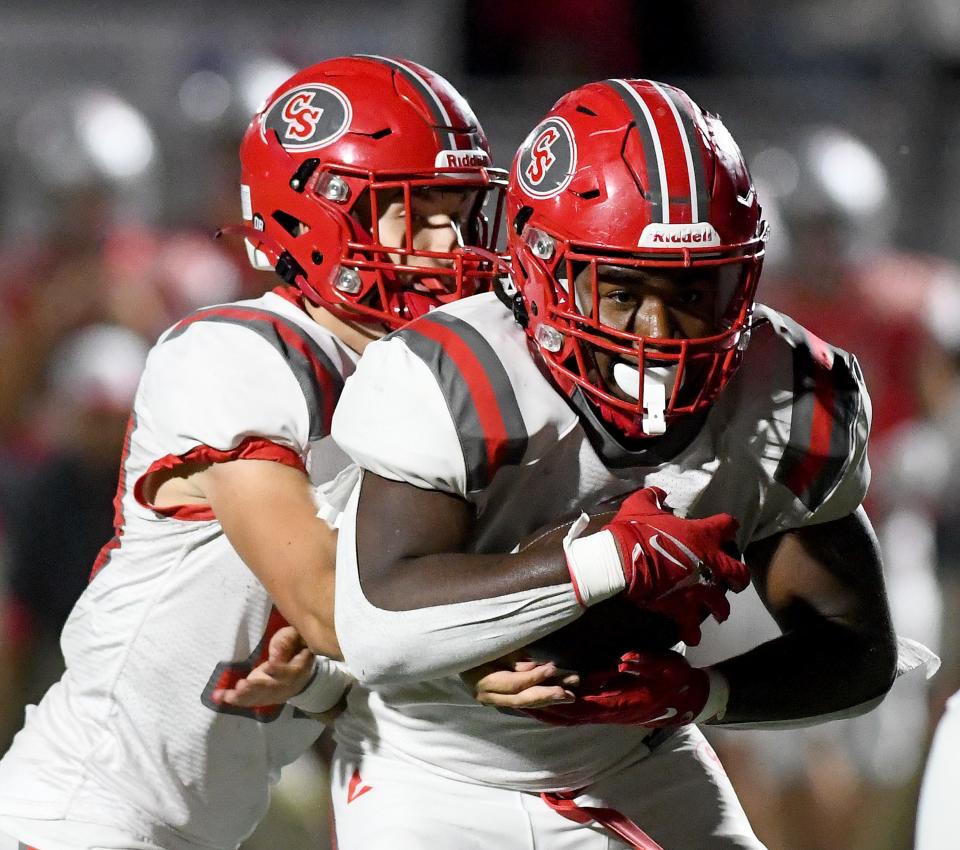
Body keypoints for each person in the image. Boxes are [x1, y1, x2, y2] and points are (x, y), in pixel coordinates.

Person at [321, 78, 905, 849]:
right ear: (541, 271)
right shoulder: (453, 374)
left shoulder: (787, 389)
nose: (662, 331)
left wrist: (700, 693)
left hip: (634, 755)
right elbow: (381, 629)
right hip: (435, 771)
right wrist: (604, 561)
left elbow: (857, 652)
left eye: (697, 289)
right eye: (623, 290)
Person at [0, 55, 504, 850]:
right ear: (320, 219)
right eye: (420, 211)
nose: (454, 244)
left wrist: (314, 682)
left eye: (465, 213)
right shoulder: (233, 352)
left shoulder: (411, 388)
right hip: (80, 818)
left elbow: (344, 640)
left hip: (192, 827)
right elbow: (325, 597)